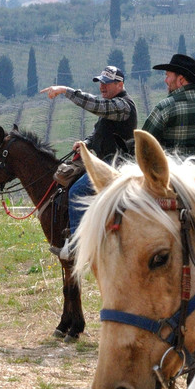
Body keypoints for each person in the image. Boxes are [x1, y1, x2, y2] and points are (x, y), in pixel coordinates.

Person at [40, 65, 137, 257]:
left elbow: (96, 106)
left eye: (107, 83)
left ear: (120, 85)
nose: (102, 87)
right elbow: (99, 132)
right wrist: (85, 143)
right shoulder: (113, 105)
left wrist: (66, 90)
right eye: (101, 82)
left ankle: (77, 245)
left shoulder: (123, 106)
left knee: (76, 191)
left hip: (116, 166)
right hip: (104, 163)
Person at [141, 53, 195, 169]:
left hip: (176, 182)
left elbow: (143, 146)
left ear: (180, 79)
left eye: (168, 76)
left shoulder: (165, 108)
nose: (166, 80)